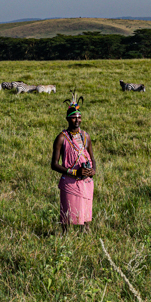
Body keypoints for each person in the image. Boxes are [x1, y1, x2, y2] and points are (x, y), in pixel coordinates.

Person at [51, 100, 96, 233]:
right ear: (67, 119)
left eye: (79, 117)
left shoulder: (86, 136)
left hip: (86, 182)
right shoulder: (61, 138)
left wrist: (92, 170)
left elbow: (92, 158)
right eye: (73, 118)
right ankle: (65, 238)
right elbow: (54, 164)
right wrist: (75, 172)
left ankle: (86, 238)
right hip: (70, 183)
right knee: (67, 217)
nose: (77, 120)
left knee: (86, 218)